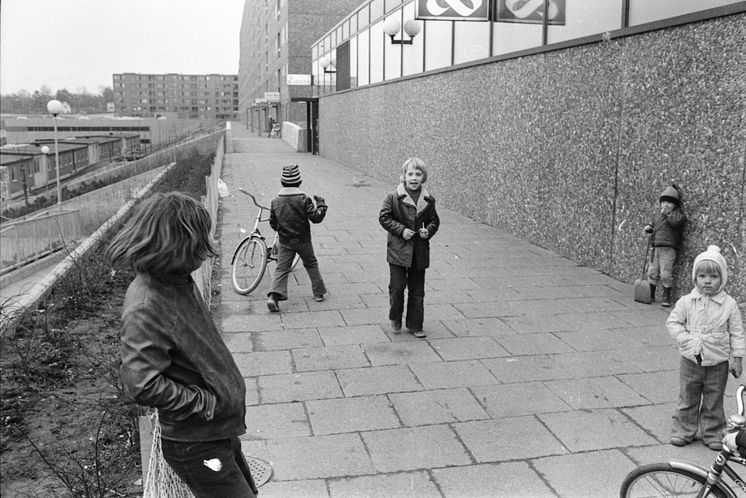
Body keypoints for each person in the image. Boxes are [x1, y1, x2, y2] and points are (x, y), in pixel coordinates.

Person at [107, 192, 258, 498]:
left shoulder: (176, 280)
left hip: (216, 429)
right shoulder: (146, 304)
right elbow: (141, 384)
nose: (206, 252)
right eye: (199, 243)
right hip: (196, 440)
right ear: (177, 245)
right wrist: (206, 403)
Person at [667, 245, 744, 451]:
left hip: (717, 362)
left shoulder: (729, 304)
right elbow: (673, 323)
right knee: (688, 396)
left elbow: (737, 332)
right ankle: (684, 429)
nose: (707, 281)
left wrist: (737, 358)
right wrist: (684, 339)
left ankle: (712, 431)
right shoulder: (687, 301)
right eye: (702, 276)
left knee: (713, 399)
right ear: (695, 278)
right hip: (690, 360)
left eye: (713, 276)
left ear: (722, 278)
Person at [379, 157, 440, 338]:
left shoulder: (428, 200)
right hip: (398, 250)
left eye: (418, 174)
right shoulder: (393, 197)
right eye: (410, 174)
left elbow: (434, 221)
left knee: (417, 291)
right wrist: (401, 230)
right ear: (403, 176)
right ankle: (395, 316)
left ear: (424, 178)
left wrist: (427, 232)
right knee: (397, 288)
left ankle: (415, 324)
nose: (414, 178)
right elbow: (384, 217)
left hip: (419, 252)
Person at [266, 164, 328, 312]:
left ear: (282, 182)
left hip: (286, 241)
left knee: (281, 268)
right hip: (303, 240)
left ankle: (273, 297)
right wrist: (321, 205)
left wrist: (281, 230)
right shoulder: (304, 199)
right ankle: (318, 293)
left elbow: (273, 223)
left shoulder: (275, 201)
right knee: (311, 264)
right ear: (299, 182)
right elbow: (316, 218)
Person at [643, 184, 687, 306]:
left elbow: (676, 222)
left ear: (675, 205)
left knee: (665, 272)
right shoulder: (658, 214)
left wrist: (668, 214)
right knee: (652, 270)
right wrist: (649, 228)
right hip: (656, 246)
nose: (665, 205)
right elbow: (654, 225)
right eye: (663, 202)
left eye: (669, 203)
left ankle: (666, 294)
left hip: (668, 247)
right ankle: (651, 292)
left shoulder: (676, 214)